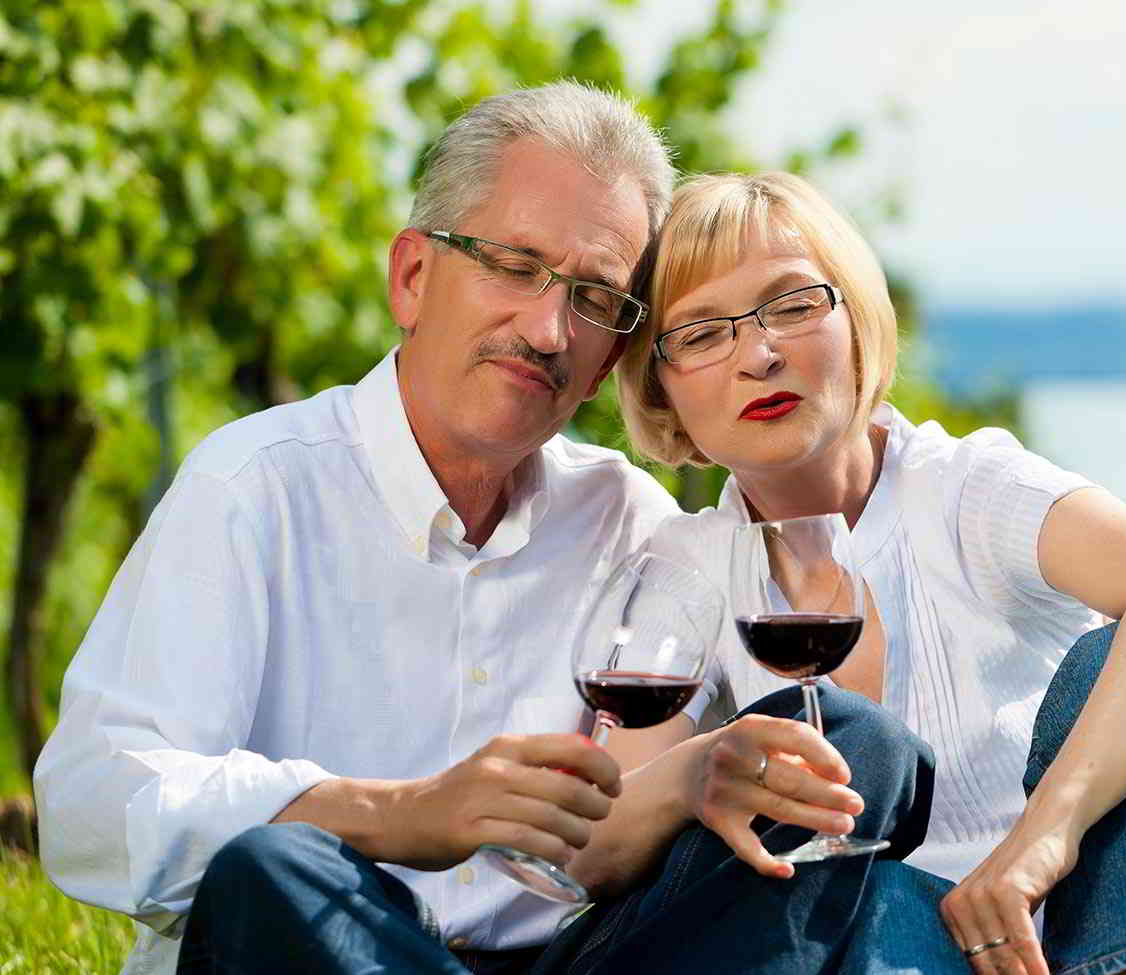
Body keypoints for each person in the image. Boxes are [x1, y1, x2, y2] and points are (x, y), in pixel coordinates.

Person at [33, 82, 689, 975]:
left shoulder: (630, 521)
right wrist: (393, 813)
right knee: (275, 868)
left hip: (554, 961)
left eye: (593, 296)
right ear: (413, 277)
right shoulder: (254, 485)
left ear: (614, 349)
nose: (547, 330)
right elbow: (89, 801)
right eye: (515, 263)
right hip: (317, 948)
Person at [604, 171, 1126, 974]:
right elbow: (606, 835)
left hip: (1093, 925)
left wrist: (1039, 845)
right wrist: (693, 773)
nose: (759, 353)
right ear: (662, 389)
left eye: (792, 305)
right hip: (894, 950)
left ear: (857, 322)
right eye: (702, 332)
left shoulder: (965, 487)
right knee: (874, 887)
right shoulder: (691, 563)